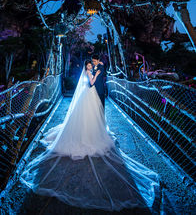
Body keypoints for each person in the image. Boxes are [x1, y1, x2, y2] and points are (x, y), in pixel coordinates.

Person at [21, 60, 160, 212]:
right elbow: (92, 83)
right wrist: (97, 73)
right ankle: (88, 135)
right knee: (88, 117)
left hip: (89, 96)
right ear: (86, 68)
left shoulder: (90, 69)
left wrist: (98, 67)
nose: (90, 67)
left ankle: (91, 131)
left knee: (91, 117)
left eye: (90, 66)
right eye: (88, 66)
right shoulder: (89, 73)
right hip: (90, 94)